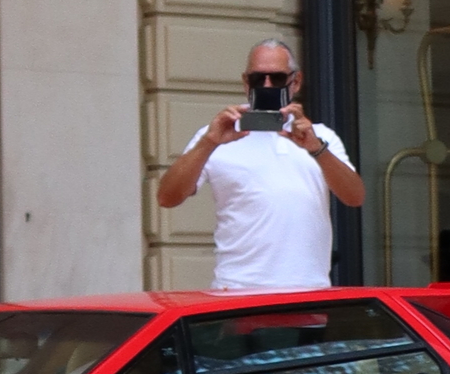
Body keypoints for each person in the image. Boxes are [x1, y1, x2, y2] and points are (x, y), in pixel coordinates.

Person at [155, 39, 365, 292]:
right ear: (246, 83)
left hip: (308, 293)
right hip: (237, 293)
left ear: (295, 82)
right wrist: (209, 142)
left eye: (277, 79)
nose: (267, 86)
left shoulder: (321, 136)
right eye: (258, 79)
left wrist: (316, 148)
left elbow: (354, 197)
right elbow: (167, 197)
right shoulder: (216, 134)